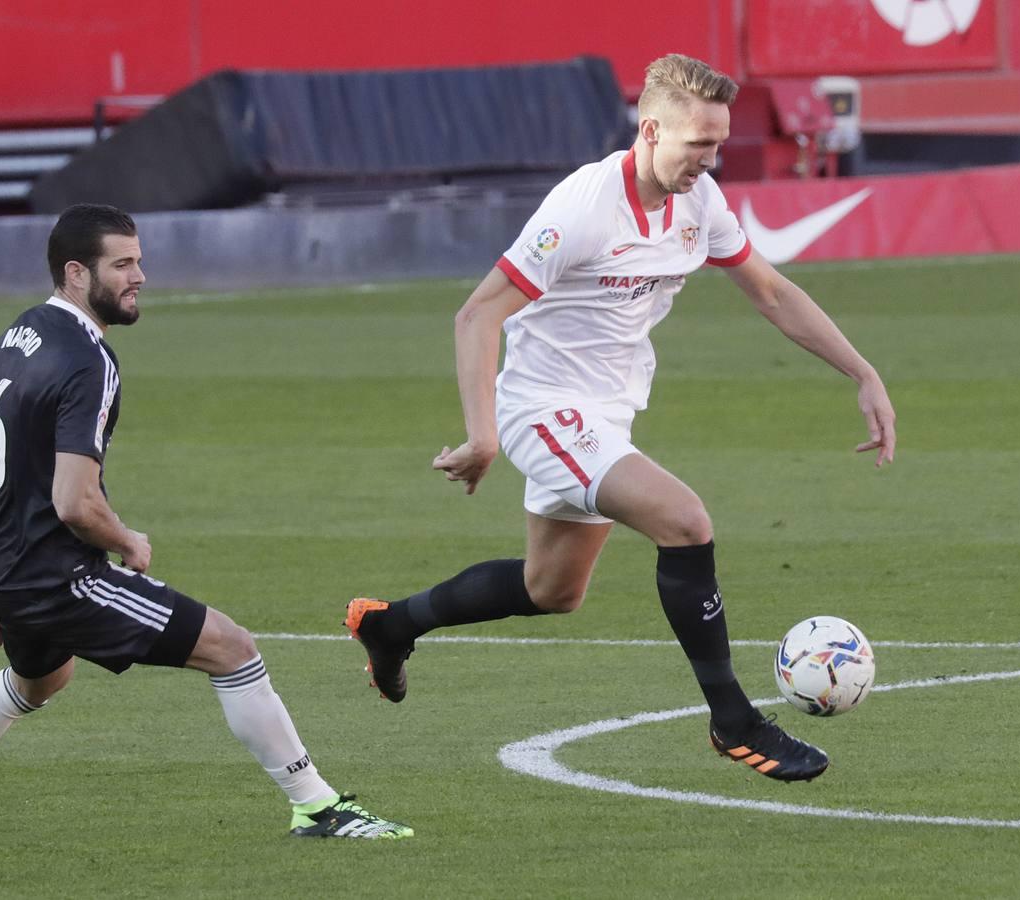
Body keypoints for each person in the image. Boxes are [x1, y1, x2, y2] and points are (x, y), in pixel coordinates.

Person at [345, 54, 896, 782]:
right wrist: (481, 433)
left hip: (606, 413)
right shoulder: (582, 207)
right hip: (544, 410)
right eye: (697, 143)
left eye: (718, 142)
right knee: (685, 521)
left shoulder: (698, 200)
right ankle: (733, 722)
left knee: (552, 591)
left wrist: (861, 370)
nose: (710, 157)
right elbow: (478, 313)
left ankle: (390, 626)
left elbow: (769, 291)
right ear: (649, 130)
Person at [0, 204, 413, 840]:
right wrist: (127, 541)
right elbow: (75, 501)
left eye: (139, 261)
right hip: (57, 575)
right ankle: (317, 807)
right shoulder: (88, 359)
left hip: (6, 567)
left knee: (39, 680)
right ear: (77, 273)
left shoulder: (21, 333)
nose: (139, 276)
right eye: (122, 264)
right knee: (233, 650)